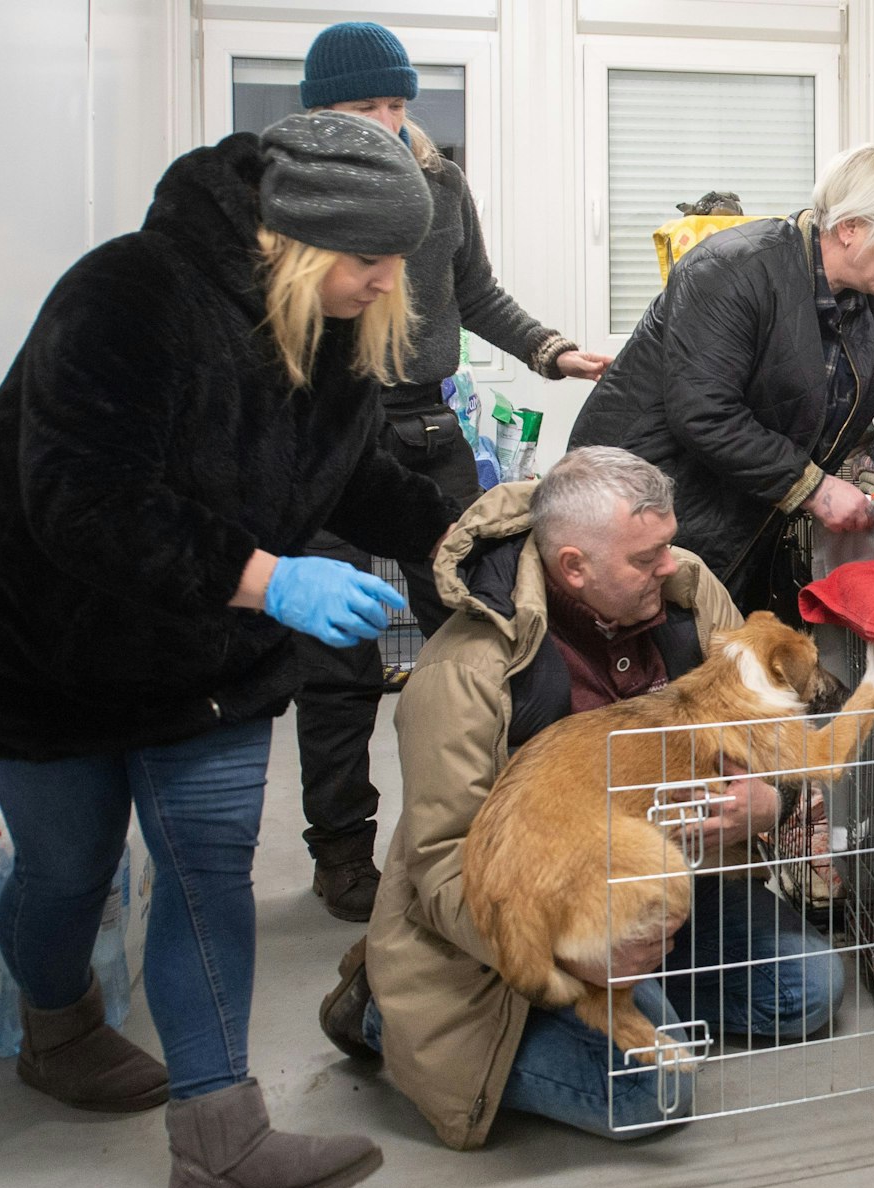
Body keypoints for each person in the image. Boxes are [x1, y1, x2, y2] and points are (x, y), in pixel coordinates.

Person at [0, 112, 457, 1188]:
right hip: (41, 641)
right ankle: (57, 1024)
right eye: (369, 258)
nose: (388, 282)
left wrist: (471, 536)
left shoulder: (338, 330)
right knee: (69, 872)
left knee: (206, 866)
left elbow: (355, 476)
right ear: (297, 241)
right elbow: (81, 503)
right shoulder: (127, 293)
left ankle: (220, 1146)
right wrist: (272, 578)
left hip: (204, 645)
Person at [316, 448, 846, 1148]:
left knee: (809, 989)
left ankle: (642, 991)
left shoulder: (689, 595)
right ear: (574, 567)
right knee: (653, 1095)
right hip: (530, 918)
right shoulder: (465, 670)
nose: (671, 565)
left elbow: (767, 739)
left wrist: (770, 802)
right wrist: (576, 960)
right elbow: (442, 863)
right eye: (646, 557)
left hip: (654, 882)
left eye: (667, 543)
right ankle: (385, 1006)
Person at [289, 20, 616, 923]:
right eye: (365, 106)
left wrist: (553, 351)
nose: (387, 122)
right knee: (336, 660)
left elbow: (476, 294)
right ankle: (341, 850)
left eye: (397, 103)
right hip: (327, 428)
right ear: (319, 116)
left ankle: (495, 823)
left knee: (482, 627)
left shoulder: (439, 182)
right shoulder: (298, 197)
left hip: (427, 426)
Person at [568, 144, 874, 619]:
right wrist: (814, 488)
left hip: (743, 510)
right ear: (850, 228)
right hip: (644, 504)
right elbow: (705, 413)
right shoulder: (730, 268)